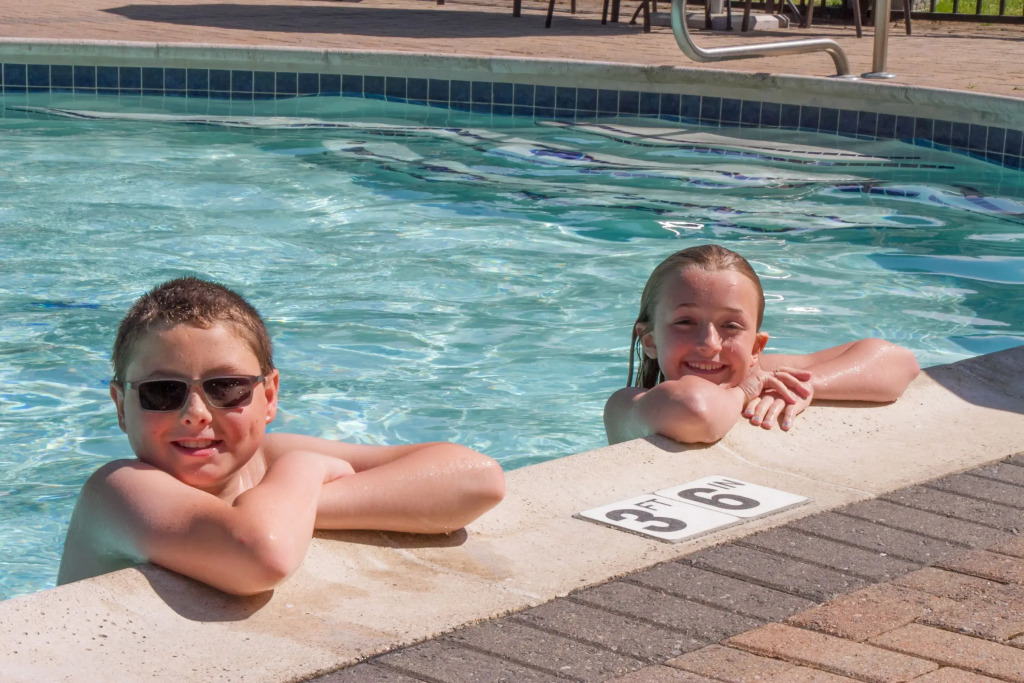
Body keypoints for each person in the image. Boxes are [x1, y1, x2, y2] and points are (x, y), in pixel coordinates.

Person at [58, 277, 505, 596]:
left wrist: (293, 506)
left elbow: (476, 478)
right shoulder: (117, 490)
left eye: (226, 387)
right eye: (162, 391)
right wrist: (303, 471)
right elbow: (259, 557)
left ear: (269, 395)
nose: (196, 414)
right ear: (121, 406)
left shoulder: (265, 462)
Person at [604, 244, 920, 445]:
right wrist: (743, 393)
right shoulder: (626, 405)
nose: (709, 344)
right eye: (685, 322)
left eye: (730, 325)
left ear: (756, 348)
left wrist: (802, 386)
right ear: (650, 341)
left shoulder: (761, 374)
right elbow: (695, 409)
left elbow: (897, 360)